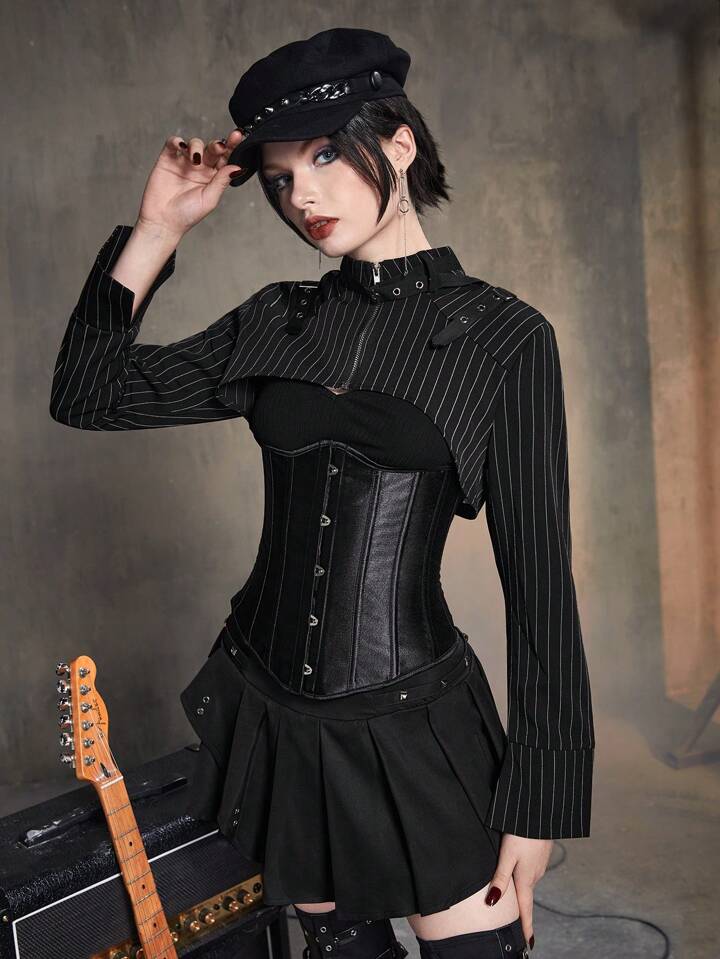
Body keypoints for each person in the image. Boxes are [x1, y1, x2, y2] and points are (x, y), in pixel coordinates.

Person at [49, 27, 595, 959]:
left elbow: (541, 586)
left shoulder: (504, 339)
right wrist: (158, 230)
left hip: (414, 724)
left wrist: (540, 805)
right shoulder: (278, 320)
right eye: (278, 177)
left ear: (400, 144)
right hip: (275, 721)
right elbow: (87, 394)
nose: (301, 194)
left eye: (327, 156)